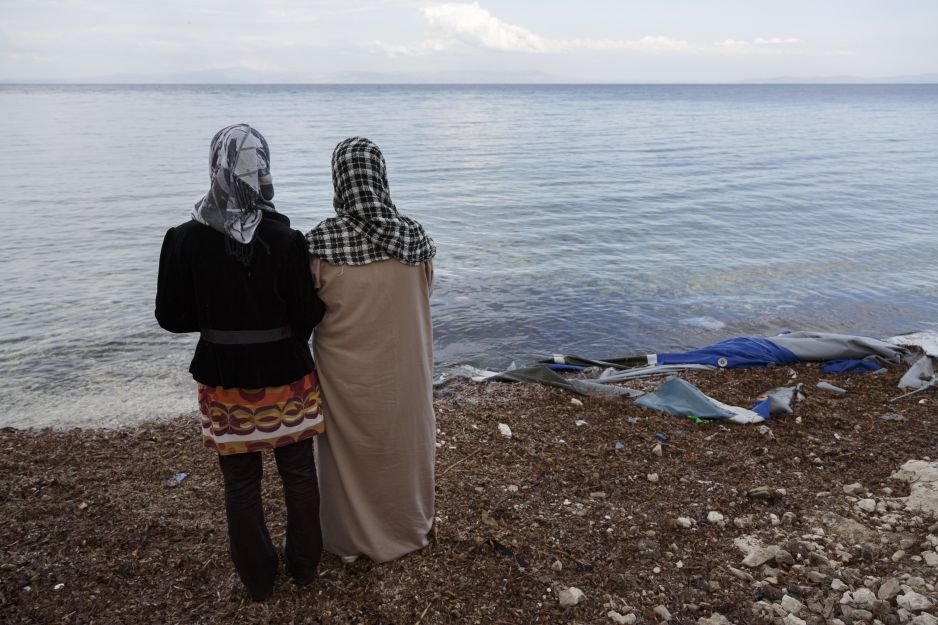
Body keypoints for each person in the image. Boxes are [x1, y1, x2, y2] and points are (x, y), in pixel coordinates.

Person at [155, 124, 326, 601]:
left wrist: (217, 318)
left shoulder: (184, 237)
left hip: (224, 375)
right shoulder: (286, 237)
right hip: (287, 373)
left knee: (241, 481)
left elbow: (170, 317)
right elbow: (308, 312)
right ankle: (305, 565)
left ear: (216, 164)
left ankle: (257, 576)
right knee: (298, 473)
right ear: (263, 167)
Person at [305, 137, 436, 563]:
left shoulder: (319, 244)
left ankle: (348, 538)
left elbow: (305, 311)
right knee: (405, 444)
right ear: (380, 176)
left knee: (349, 455)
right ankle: (408, 527)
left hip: (347, 379)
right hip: (406, 372)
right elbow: (424, 292)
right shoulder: (414, 239)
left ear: (340, 180)